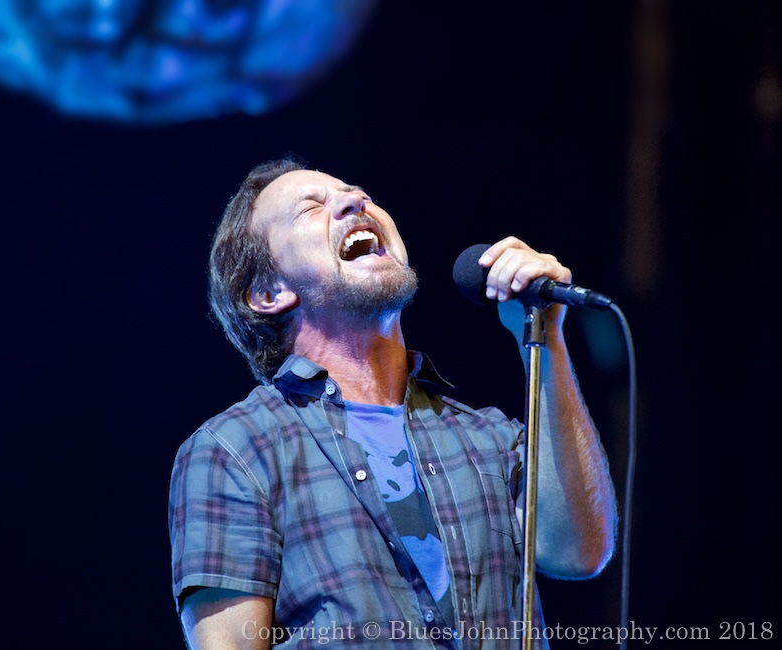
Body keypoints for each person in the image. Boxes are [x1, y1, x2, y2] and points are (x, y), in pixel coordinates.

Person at [168, 156, 618, 649]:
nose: (353, 199)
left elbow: (579, 553)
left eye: (355, 191)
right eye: (310, 208)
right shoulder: (236, 449)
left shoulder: (486, 437)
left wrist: (544, 334)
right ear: (269, 293)